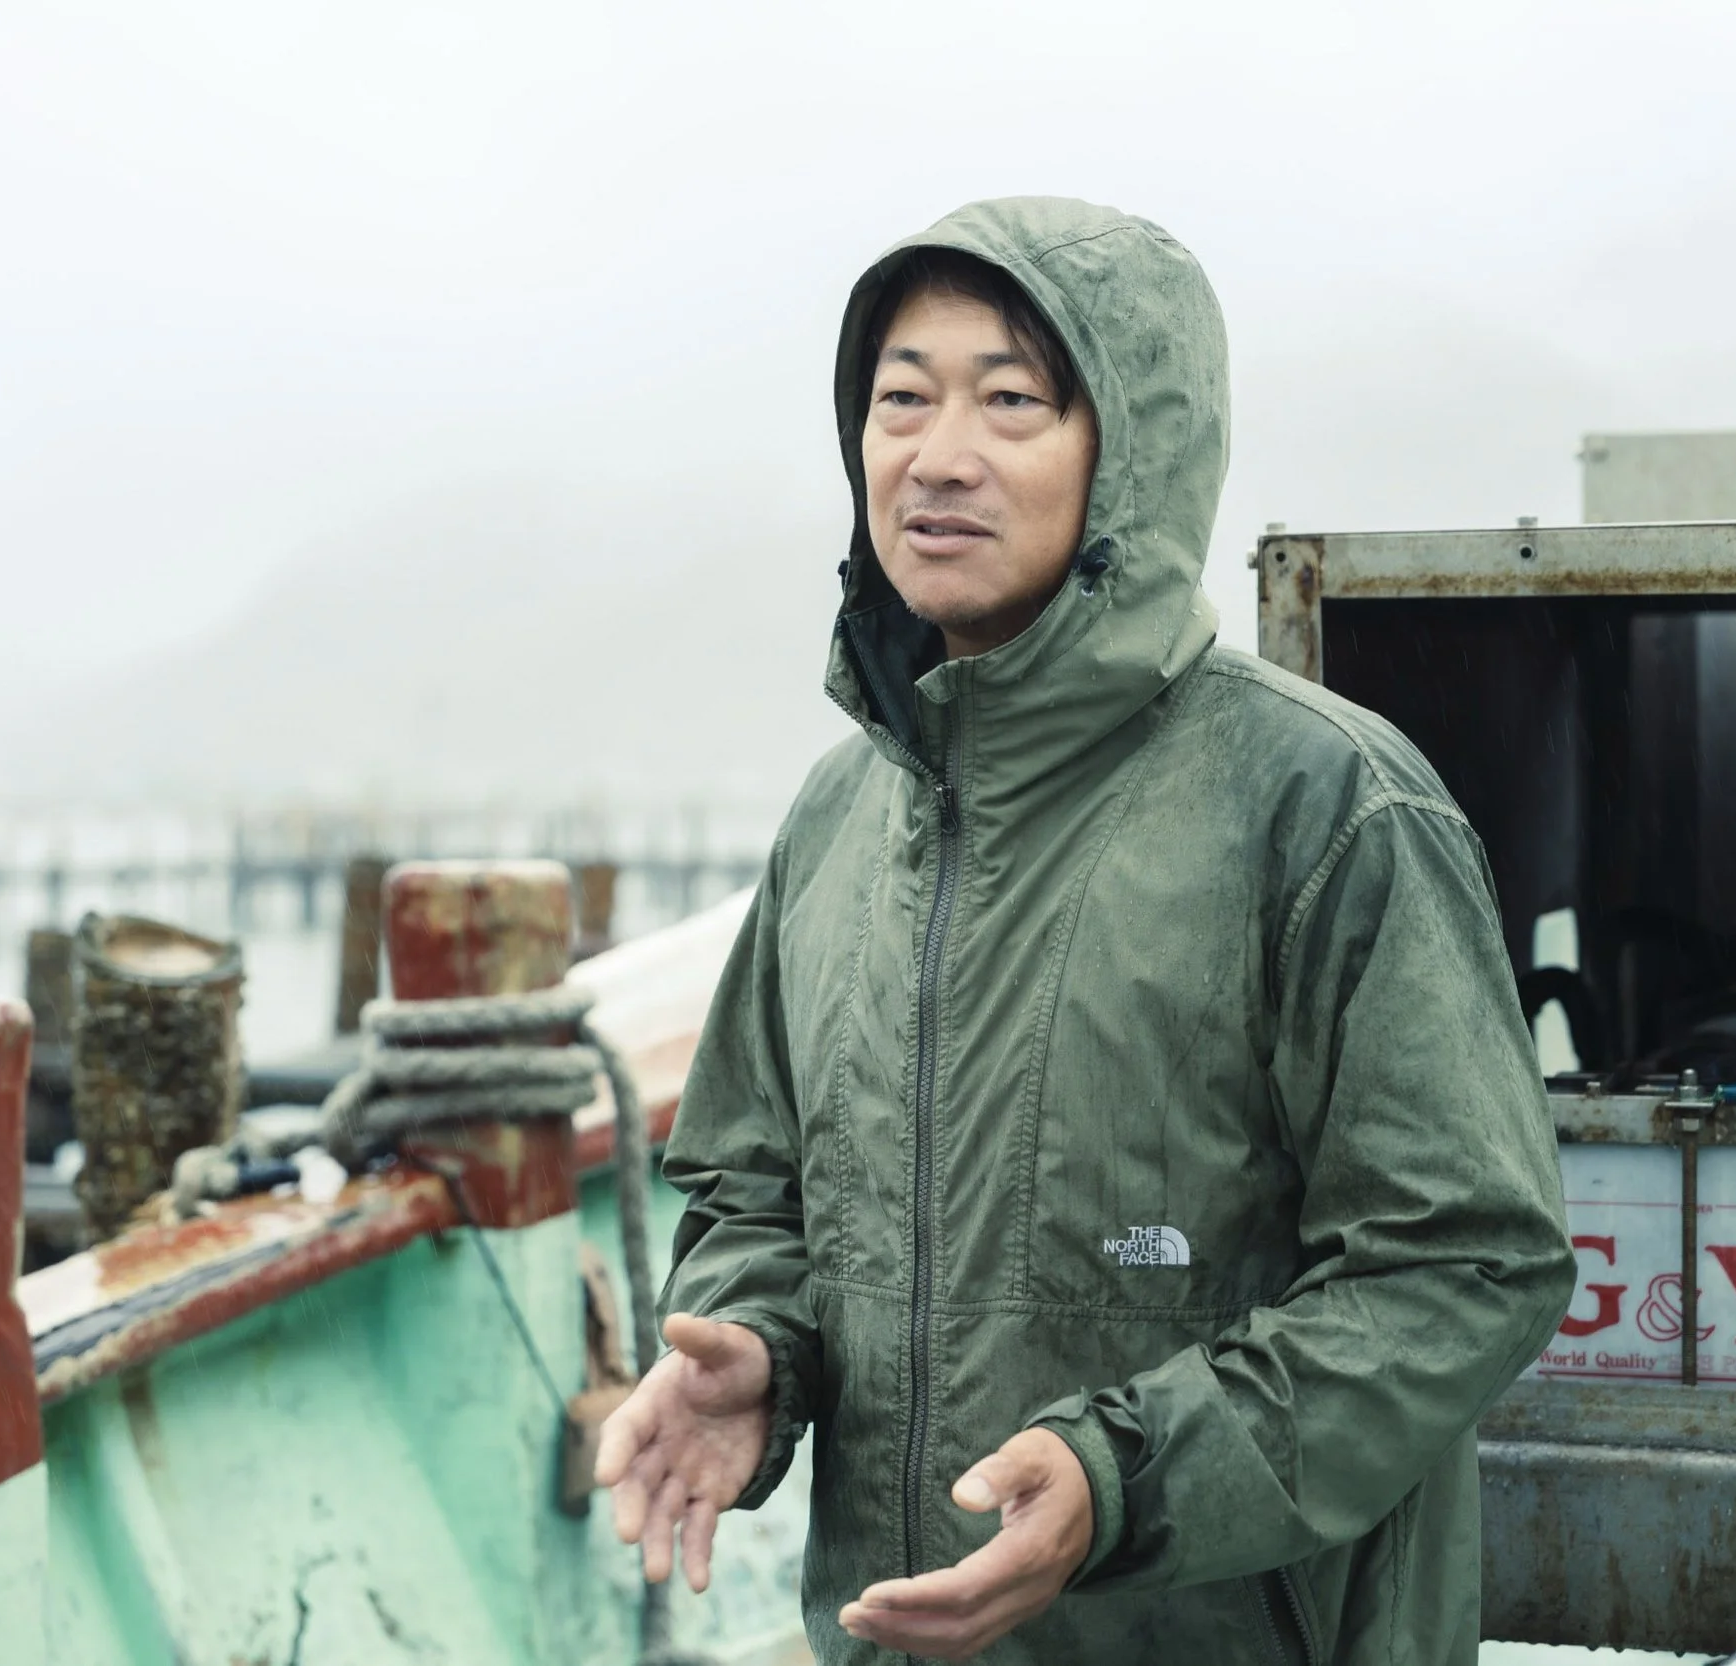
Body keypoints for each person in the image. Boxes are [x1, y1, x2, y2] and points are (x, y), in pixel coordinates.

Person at [592, 196, 1576, 1664]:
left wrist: (1127, 1478)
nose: (937, 454)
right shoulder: (840, 823)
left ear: (1133, 448)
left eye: (1010, 400)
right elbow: (754, 1183)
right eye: (900, 399)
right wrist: (758, 1351)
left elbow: (1465, 1261)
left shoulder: (1323, 804)